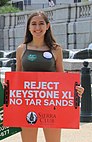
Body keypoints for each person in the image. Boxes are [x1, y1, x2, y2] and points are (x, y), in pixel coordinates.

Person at [16, 11, 84, 142]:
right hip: (27, 104)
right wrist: (8, 86)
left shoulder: (56, 49)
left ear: (47, 26)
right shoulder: (21, 49)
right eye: (34, 24)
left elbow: (61, 77)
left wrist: (75, 90)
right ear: (29, 27)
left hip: (51, 105)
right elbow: (17, 77)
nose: (37, 28)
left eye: (41, 23)